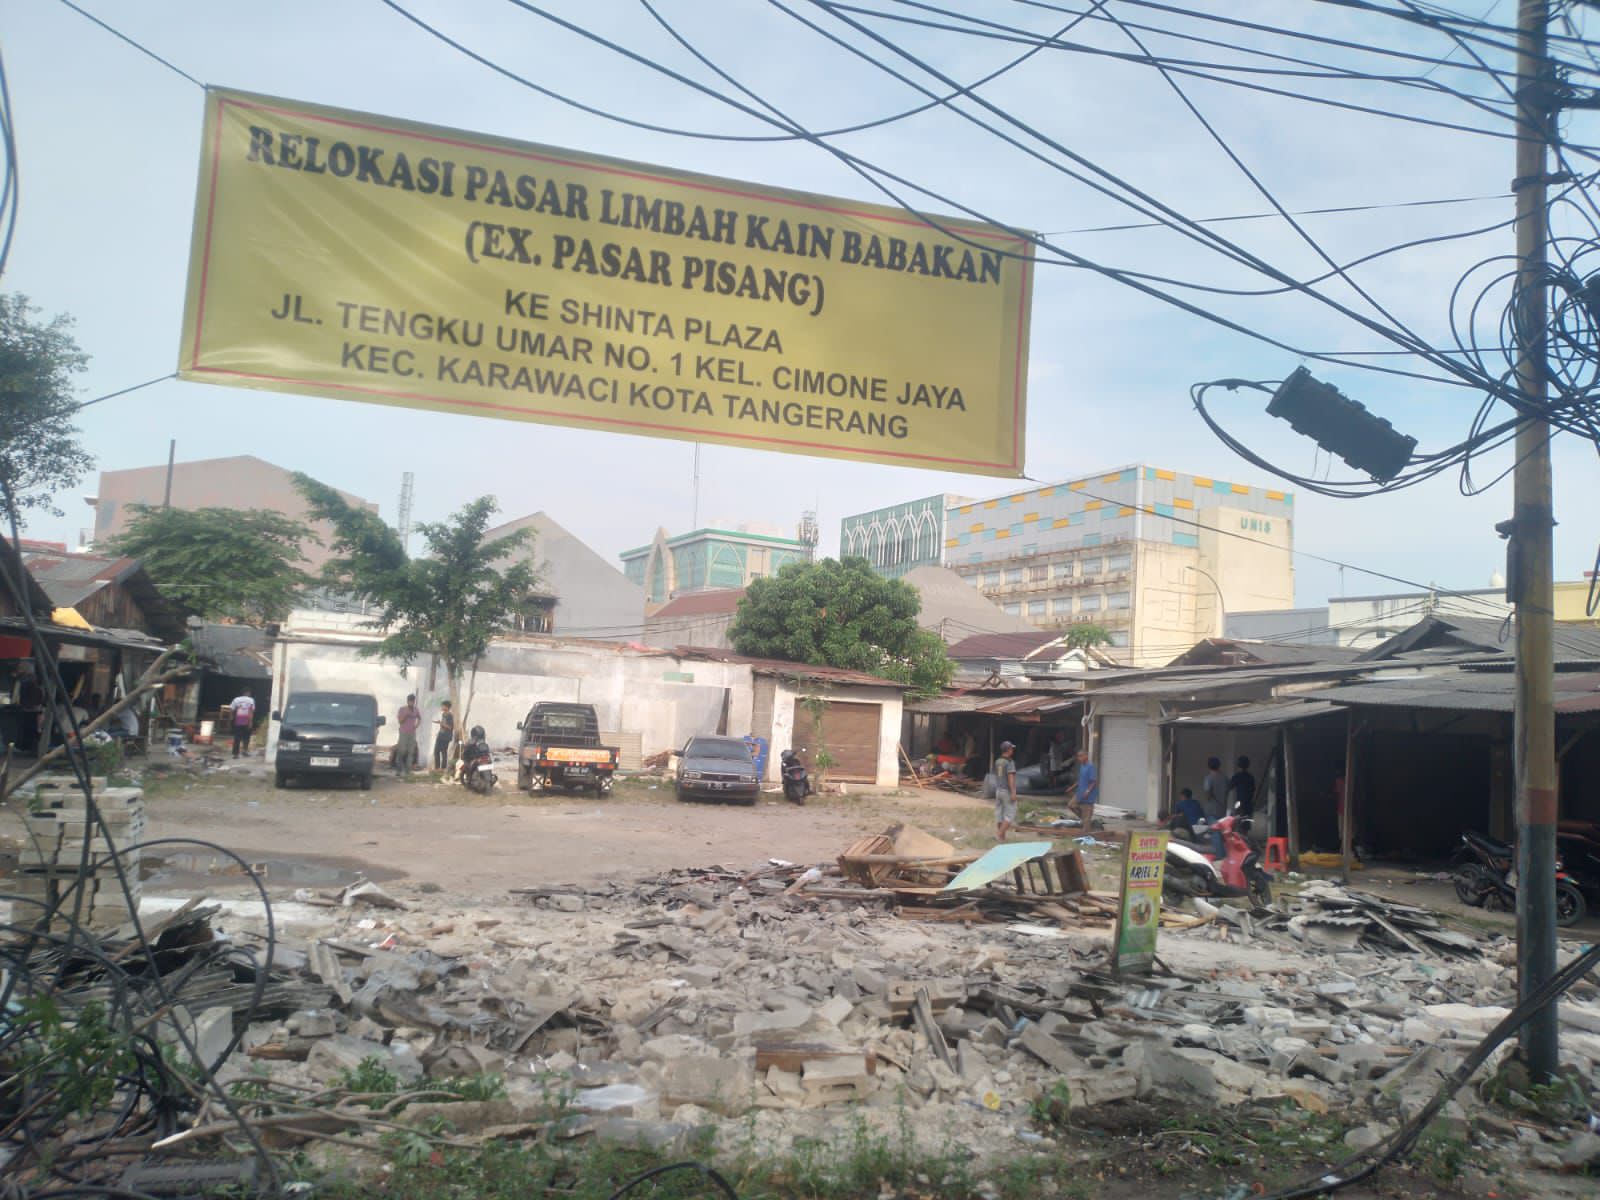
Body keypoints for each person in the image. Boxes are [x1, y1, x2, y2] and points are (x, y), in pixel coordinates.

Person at [993, 740, 1018, 842]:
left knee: (1000, 814)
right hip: (1006, 791)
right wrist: (1013, 792)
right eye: (1011, 748)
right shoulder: (1010, 762)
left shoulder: (998, 761)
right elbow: (1010, 778)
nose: (1012, 750)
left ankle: (1002, 838)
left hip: (998, 790)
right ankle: (999, 834)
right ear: (1008, 750)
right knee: (1010, 814)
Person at [1069, 748, 1099, 829]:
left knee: (1087, 815)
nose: (1079, 758)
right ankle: (1085, 819)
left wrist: (1087, 791)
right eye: (1078, 756)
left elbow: (1094, 781)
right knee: (1071, 805)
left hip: (1088, 795)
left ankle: (1086, 834)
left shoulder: (1090, 767)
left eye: (1081, 756)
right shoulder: (1082, 766)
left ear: (1086, 756)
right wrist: (1072, 787)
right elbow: (1080, 779)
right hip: (1080, 793)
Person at [396, 694, 421, 777]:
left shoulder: (416, 710)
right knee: (402, 751)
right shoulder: (402, 709)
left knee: (411, 751)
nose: (411, 702)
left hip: (412, 733)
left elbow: (419, 718)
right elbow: (400, 721)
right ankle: (399, 770)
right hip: (403, 732)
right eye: (410, 701)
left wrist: (416, 725)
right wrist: (406, 715)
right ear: (407, 701)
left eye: (413, 701)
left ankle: (408, 770)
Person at [229, 689, 257, 758]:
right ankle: (244, 751)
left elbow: (231, 709)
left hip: (238, 720)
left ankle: (235, 754)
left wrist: (232, 717)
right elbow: (251, 711)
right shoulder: (251, 700)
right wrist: (250, 722)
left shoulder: (236, 699)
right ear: (248, 693)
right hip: (247, 721)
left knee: (237, 737)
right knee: (246, 737)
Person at [1200, 756, 1227, 822]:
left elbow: (1208, 794)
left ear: (1208, 766)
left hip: (1211, 811)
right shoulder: (1225, 778)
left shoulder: (1209, 778)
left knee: (1214, 830)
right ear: (1219, 765)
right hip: (1222, 810)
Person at [433, 700, 456, 771]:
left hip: (446, 736)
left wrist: (442, 724)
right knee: (436, 751)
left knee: (443, 752)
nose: (442, 707)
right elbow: (443, 724)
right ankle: (437, 768)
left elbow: (451, 727)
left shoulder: (450, 715)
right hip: (441, 735)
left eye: (443, 706)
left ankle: (443, 768)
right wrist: (438, 722)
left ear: (447, 707)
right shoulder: (443, 714)